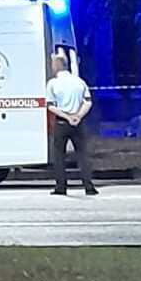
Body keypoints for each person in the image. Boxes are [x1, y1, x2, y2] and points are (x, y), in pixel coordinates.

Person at [45, 52, 98, 196]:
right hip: (78, 123)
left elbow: (50, 106)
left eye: (53, 64)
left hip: (62, 122)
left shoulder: (53, 83)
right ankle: (89, 186)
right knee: (82, 154)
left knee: (59, 155)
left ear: (57, 65)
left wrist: (67, 117)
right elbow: (88, 102)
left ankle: (61, 187)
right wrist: (78, 116)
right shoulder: (79, 82)